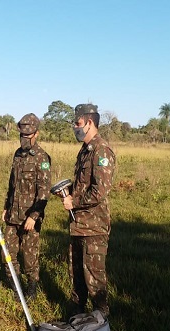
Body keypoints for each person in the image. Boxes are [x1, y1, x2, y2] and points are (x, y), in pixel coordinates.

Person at [62, 104, 115, 317]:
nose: (75, 127)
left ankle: (101, 322)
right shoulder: (85, 150)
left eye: (77, 123)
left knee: (94, 277)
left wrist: (74, 202)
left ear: (89, 122)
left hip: (94, 226)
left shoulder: (102, 151)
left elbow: (99, 191)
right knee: (76, 274)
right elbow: (83, 185)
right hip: (78, 224)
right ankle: (77, 315)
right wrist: (67, 194)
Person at [2, 113, 51, 301]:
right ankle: (15, 285)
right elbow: (11, 184)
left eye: (28, 135)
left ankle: (32, 287)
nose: (24, 139)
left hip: (30, 216)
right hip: (13, 214)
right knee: (7, 252)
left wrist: (34, 216)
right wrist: (6, 207)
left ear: (36, 134)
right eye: (21, 135)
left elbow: (44, 192)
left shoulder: (42, 158)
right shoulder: (17, 154)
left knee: (30, 256)